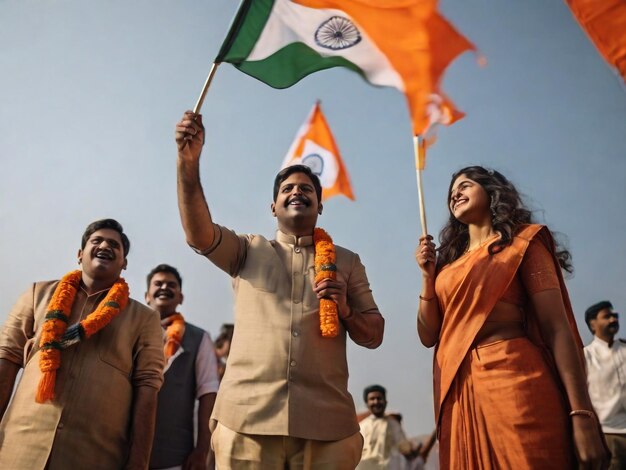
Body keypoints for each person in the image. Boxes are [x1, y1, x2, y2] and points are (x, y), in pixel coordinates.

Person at [175, 110, 384, 469]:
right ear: (273, 207)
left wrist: (344, 309)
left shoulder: (347, 262)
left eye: (306, 189)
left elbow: (374, 334)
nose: (297, 192)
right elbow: (198, 233)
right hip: (247, 421)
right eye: (287, 189)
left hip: (328, 427)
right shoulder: (246, 250)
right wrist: (188, 165)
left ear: (320, 205)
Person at [415, 166, 608, 469]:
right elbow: (428, 336)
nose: (455, 194)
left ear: (492, 192)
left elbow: (557, 328)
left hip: (513, 375)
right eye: (452, 192)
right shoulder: (446, 268)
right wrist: (428, 278)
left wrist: (581, 413)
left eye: (465, 186)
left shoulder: (522, 244)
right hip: (458, 388)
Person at [0, 218, 164, 470]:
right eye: (96, 240)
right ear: (80, 254)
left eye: (114, 244)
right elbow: (7, 359)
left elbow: (148, 389)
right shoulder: (38, 294)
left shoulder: (144, 318)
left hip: (94, 456)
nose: (104, 246)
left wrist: (138, 463)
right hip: (20, 449)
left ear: (124, 262)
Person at [145, 264, 220, 470]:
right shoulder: (132, 331)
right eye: (158, 283)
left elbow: (208, 392)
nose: (164, 287)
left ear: (181, 298)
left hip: (174, 457)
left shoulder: (198, 338)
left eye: (171, 285)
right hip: (122, 450)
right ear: (146, 296)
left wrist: (202, 450)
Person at [584, 301, 626, 469]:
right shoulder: (585, 356)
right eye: (606, 316)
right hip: (607, 435)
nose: (612, 319)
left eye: (614, 316)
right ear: (592, 324)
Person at [357, 384, 416, 470]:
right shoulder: (360, 427)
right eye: (372, 399)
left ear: (385, 401)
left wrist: (411, 452)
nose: (376, 402)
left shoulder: (393, 425)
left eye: (379, 398)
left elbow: (405, 448)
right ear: (367, 403)